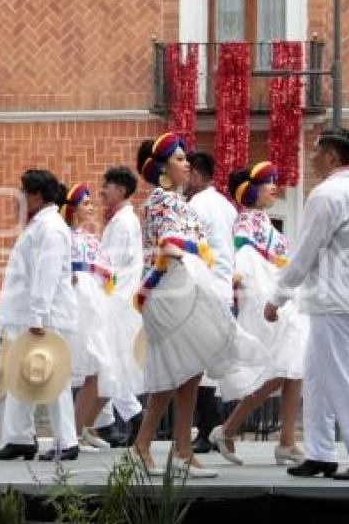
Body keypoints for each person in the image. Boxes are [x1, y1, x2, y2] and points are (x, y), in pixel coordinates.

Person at [131, 132, 268, 478]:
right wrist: (192, 264)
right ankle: (142, 446)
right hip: (167, 291)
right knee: (172, 372)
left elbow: (192, 248)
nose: (186, 163)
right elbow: (168, 245)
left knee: (192, 371)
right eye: (178, 159)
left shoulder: (182, 204)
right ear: (162, 168)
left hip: (187, 289)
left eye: (185, 157)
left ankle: (182, 449)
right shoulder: (160, 200)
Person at [265, 127, 349, 481]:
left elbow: (305, 252)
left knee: (338, 377)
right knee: (318, 377)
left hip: (335, 299)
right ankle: (320, 453)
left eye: (317, 151)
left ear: (333, 156)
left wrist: (277, 296)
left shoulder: (327, 195)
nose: (312, 156)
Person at [212, 162, 308, 467]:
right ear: (251, 190)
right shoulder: (245, 223)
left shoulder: (264, 222)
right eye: (268, 183)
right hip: (261, 302)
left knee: (293, 367)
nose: (274, 188)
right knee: (280, 368)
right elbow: (241, 260)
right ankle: (228, 429)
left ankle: (286, 441)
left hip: (280, 300)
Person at [0, 169, 79, 462]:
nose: (20, 199)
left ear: (37, 195)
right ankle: (19, 437)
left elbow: (47, 272)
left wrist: (38, 315)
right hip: (27, 312)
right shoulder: (40, 225)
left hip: (46, 316)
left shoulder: (50, 227)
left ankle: (66, 440)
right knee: (20, 373)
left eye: (23, 193)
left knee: (53, 376)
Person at [60, 182, 121, 451]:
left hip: (98, 304)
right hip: (79, 307)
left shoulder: (90, 238)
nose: (91, 207)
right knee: (93, 367)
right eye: (85, 203)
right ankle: (73, 431)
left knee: (105, 368)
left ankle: (85, 426)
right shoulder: (63, 236)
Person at [185, 151, 236, 454]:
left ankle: (207, 428)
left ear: (194, 175)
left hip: (203, 289)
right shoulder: (226, 205)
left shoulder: (194, 206)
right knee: (212, 362)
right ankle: (214, 425)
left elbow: (192, 251)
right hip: (224, 289)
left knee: (197, 363)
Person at [93, 166, 144, 446]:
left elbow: (108, 266)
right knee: (109, 363)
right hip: (119, 300)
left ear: (121, 190)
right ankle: (106, 423)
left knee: (112, 363)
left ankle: (132, 416)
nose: (103, 191)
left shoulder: (123, 223)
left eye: (107, 186)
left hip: (115, 301)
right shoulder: (123, 220)